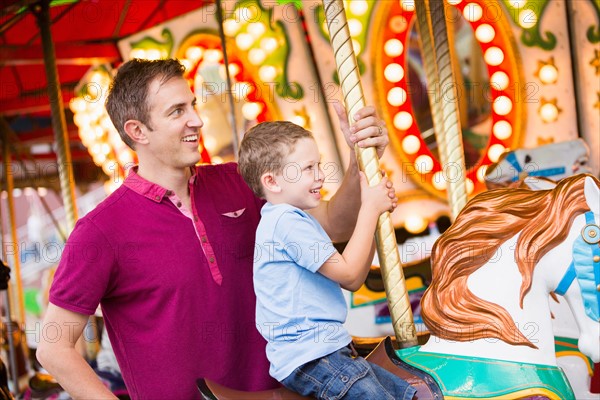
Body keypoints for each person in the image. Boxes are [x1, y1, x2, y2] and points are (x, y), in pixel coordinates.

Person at [36, 58, 394, 400]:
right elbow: (54, 349)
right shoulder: (101, 230)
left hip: (289, 391)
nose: (196, 119)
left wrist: (357, 158)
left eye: (192, 105)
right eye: (178, 111)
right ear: (137, 131)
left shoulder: (240, 181)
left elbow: (333, 224)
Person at [238, 122, 416, 400]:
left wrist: (373, 214)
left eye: (318, 165)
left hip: (328, 352)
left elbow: (355, 278)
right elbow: (348, 273)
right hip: (312, 356)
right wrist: (369, 208)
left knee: (408, 393)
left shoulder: (294, 219)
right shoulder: (285, 222)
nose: (320, 176)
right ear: (272, 181)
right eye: (308, 168)